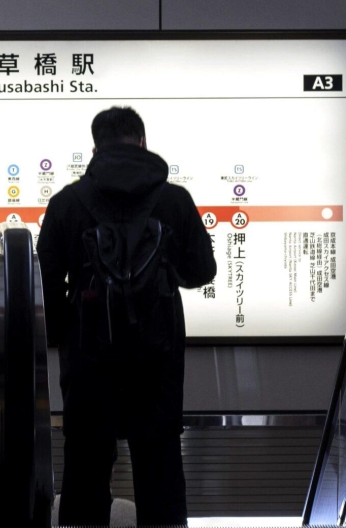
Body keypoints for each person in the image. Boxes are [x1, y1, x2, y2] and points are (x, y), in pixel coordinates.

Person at [37, 106, 217, 526]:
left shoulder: (67, 203)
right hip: (158, 364)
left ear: (95, 148)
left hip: (88, 365)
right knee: (160, 470)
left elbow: (43, 287)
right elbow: (202, 271)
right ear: (143, 143)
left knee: (85, 469)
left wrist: (73, 332)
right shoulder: (173, 200)